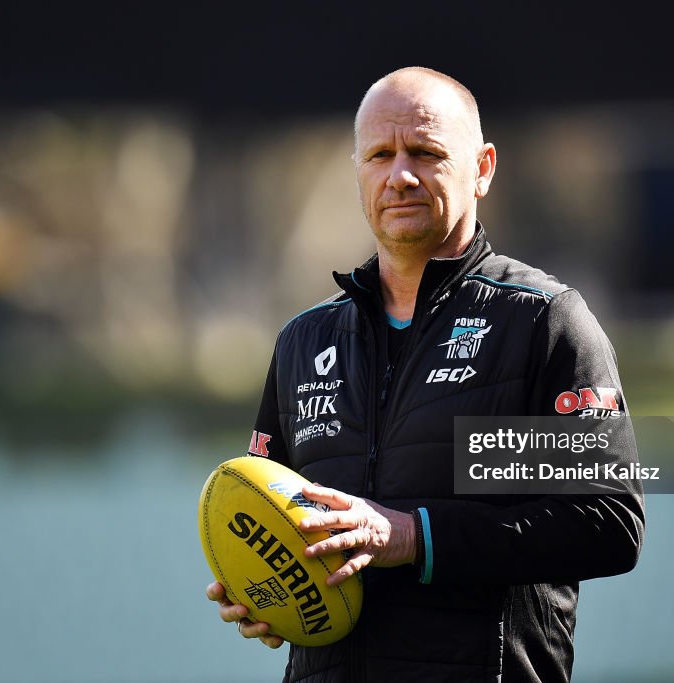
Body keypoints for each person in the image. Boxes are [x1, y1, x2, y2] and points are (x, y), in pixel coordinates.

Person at [206, 66, 645, 682]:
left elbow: (605, 522)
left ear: (483, 167)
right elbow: (275, 518)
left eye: (426, 152)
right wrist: (260, 594)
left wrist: (413, 536)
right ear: (357, 171)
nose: (400, 175)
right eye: (380, 155)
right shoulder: (304, 341)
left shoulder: (539, 324)